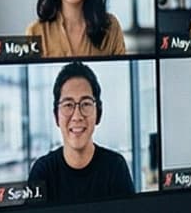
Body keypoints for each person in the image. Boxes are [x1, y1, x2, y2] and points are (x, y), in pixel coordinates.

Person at [24, 61, 134, 202]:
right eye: (68, 105)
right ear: (56, 116)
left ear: (98, 113)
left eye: (86, 104)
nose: (77, 116)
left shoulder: (115, 167)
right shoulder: (43, 171)